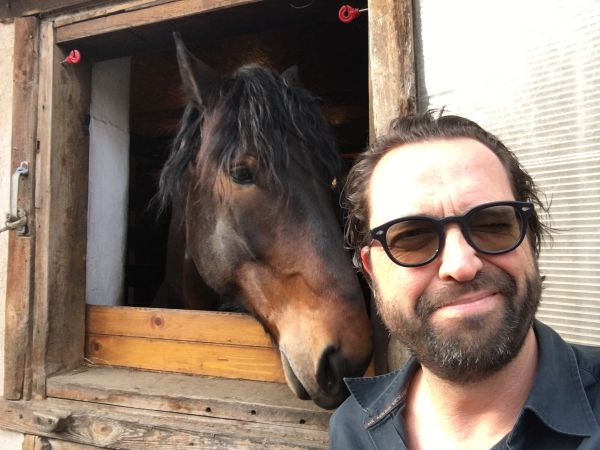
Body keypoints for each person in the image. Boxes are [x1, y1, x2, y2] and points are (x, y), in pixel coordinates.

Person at [329, 111, 600, 449]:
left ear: (529, 240)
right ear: (371, 270)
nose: (461, 265)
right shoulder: (351, 430)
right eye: (412, 237)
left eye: (493, 225)